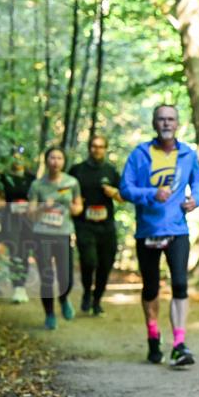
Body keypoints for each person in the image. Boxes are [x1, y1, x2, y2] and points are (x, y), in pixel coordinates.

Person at [119, 104, 199, 367]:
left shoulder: (188, 154)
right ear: (154, 124)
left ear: (177, 124)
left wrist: (195, 200)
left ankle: (179, 344)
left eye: (171, 119)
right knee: (151, 287)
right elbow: (125, 189)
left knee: (180, 284)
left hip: (177, 229)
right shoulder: (140, 154)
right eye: (161, 119)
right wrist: (149, 194)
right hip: (148, 230)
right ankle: (153, 336)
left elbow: (198, 181)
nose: (166, 123)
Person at [28, 146, 82, 329]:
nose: (56, 161)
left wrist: (72, 207)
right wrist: (44, 206)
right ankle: (49, 314)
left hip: (63, 233)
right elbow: (30, 213)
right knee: (46, 277)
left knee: (66, 274)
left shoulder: (72, 182)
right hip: (42, 234)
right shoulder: (37, 185)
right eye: (52, 158)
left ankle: (64, 298)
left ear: (64, 161)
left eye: (59, 158)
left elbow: (78, 207)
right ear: (46, 160)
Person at [68, 135, 121, 316]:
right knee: (89, 261)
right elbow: (65, 193)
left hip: (106, 226)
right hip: (85, 224)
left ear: (105, 149)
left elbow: (123, 197)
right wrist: (75, 202)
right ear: (89, 148)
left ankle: (97, 300)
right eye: (94, 146)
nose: (96, 150)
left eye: (100, 147)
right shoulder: (77, 170)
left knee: (105, 264)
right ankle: (86, 293)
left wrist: (113, 192)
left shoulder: (111, 171)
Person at [2, 145, 36, 304]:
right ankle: (17, 286)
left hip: (28, 221)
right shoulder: (4, 177)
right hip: (10, 220)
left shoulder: (31, 178)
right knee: (14, 251)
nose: (18, 159)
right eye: (15, 156)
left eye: (21, 156)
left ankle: (22, 286)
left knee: (25, 251)